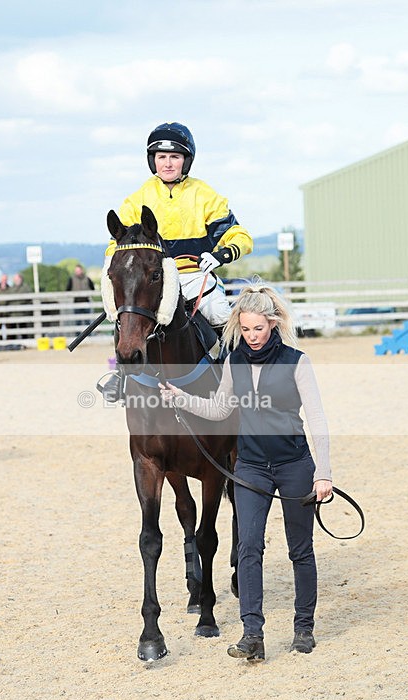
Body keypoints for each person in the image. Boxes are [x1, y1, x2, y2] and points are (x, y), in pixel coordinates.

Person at [159, 284, 333, 661]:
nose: (252, 336)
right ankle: (252, 634)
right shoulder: (233, 362)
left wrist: (324, 472)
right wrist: (180, 398)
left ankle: (304, 627)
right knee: (248, 548)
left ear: (272, 323)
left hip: (294, 466)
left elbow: (317, 418)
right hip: (251, 467)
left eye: (259, 328)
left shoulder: (296, 362)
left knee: (300, 550)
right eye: (246, 329)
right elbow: (221, 410)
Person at [101, 121, 253, 401]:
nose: (168, 164)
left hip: (195, 276)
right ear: (152, 161)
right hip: (152, 280)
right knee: (126, 316)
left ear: (186, 160)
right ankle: (121, 377)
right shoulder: (136, 200)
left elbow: (239, 235)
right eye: (161, 157)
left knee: (221, 315)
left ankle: (239, 380)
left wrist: (220, 255)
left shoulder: (205, 195)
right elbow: (117, 244)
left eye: (175, 157)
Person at [6, 273, 32, 339]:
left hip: (23, 313)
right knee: (12, 331)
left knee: (24, 330)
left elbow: (28, 298)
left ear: (21, 279)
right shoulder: (11, 288)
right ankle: (12, 345)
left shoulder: (25, 287)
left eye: (17, 279)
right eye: (15, 279)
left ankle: (25, 343)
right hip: (13, 313)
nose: (16, 280)